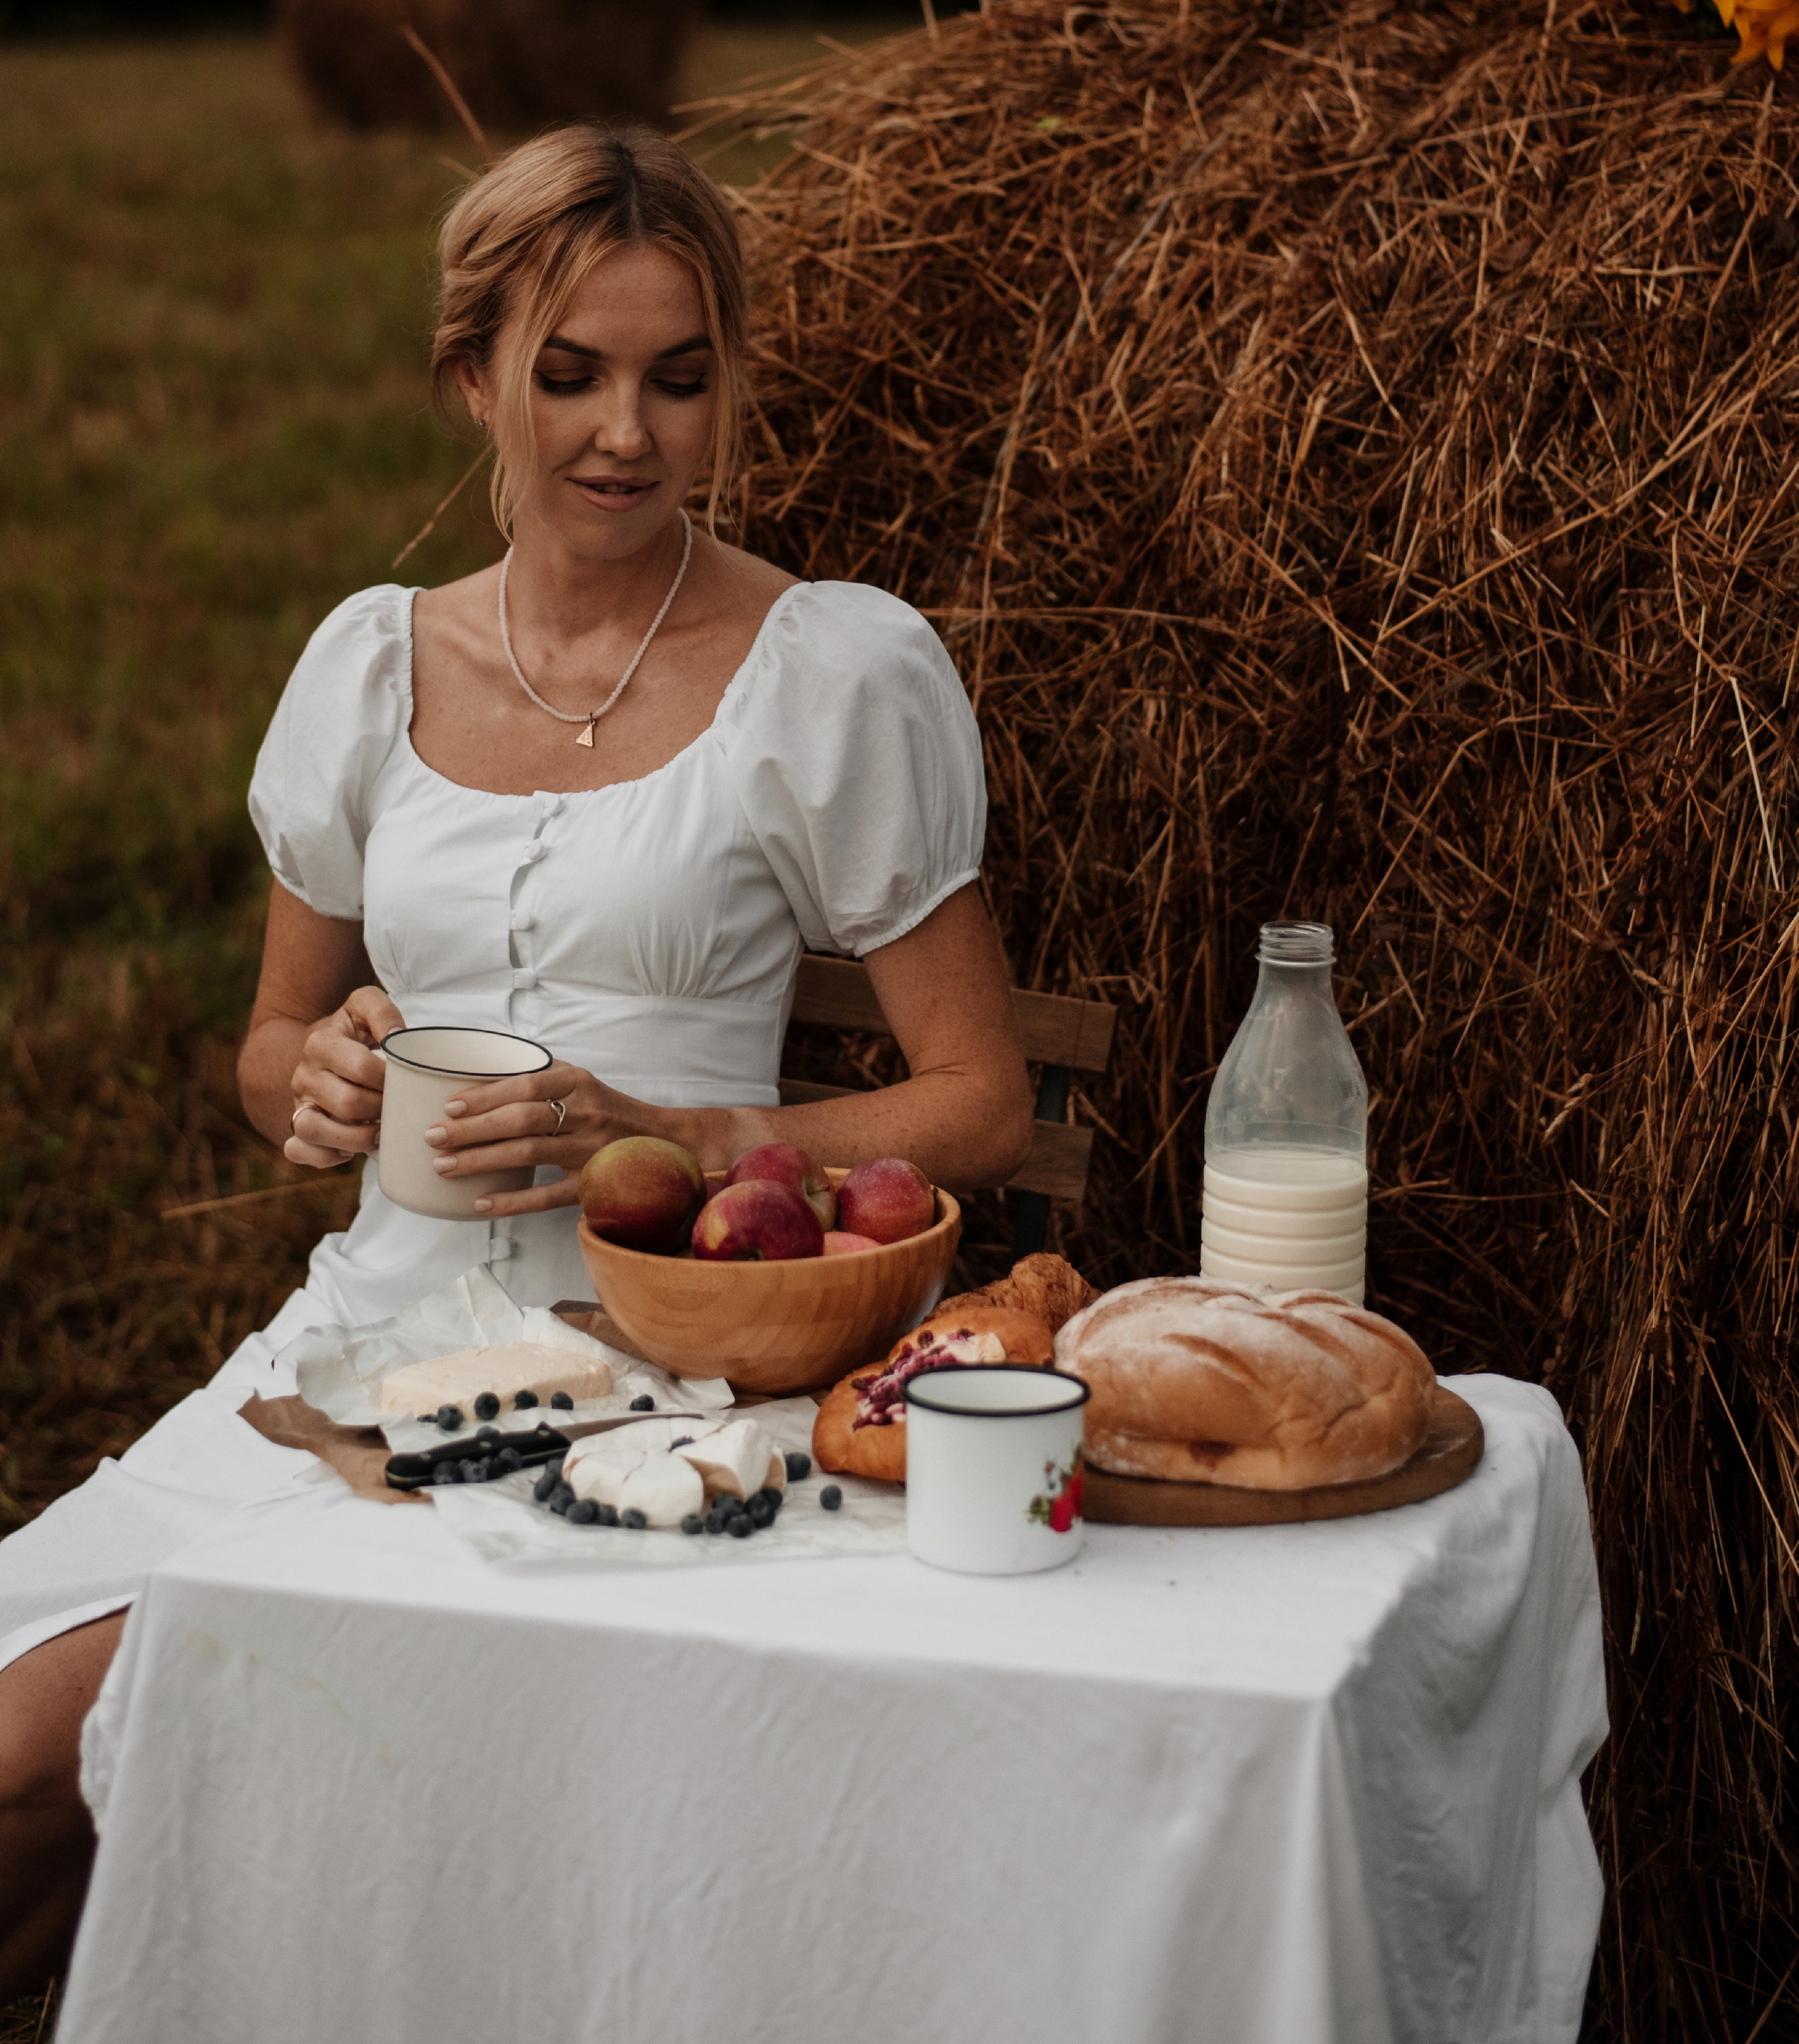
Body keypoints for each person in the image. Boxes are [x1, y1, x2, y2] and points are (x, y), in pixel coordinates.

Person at [0, 122, 1034, 1999]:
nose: (624, 430)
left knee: (113, 1719)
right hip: (353, 1339)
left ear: (731, 394)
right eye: (569, 374)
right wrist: (312, 1076)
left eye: (678, 376)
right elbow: (273, 1040)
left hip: (652, 1374)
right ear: (471, 377)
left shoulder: (835, 670)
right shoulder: (368, 664)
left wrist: (691, 1129)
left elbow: (980, 1096)